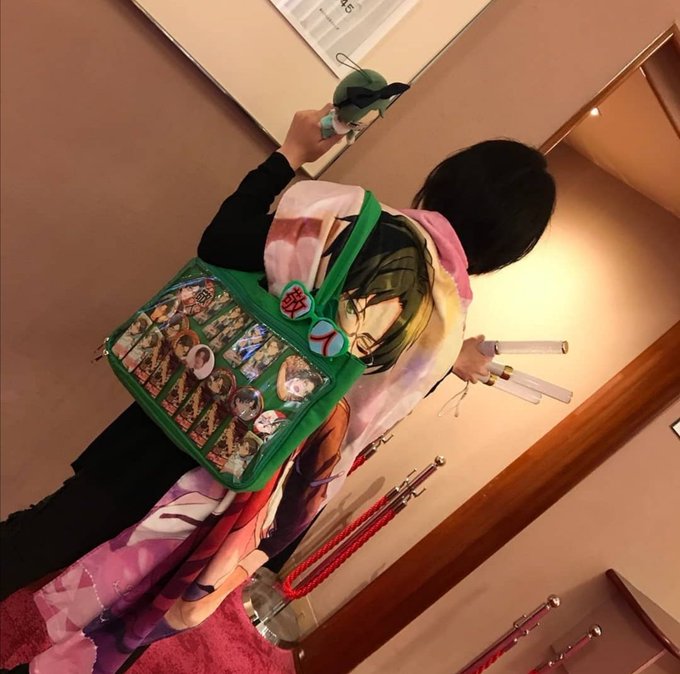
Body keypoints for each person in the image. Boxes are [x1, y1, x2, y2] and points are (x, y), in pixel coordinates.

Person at [0, 104, 555, 673]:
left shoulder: (358, 221)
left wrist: (289, 154)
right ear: (504, 251)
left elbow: (221, 243)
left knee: (53, 531)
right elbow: (361, 413)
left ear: (447, 182)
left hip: (195, 415)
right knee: (139, 608)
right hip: (255, 490)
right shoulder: (446, 330)